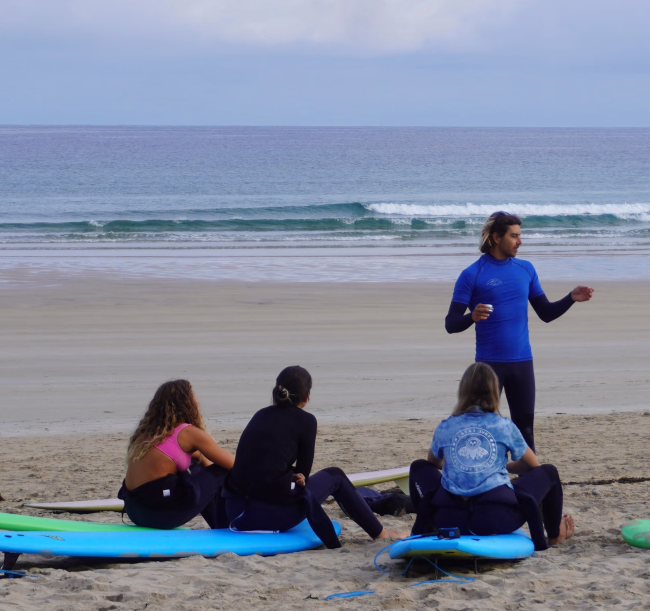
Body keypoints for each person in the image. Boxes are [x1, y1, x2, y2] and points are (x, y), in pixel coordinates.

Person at [443, 211, 593, 450]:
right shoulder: (472, 274)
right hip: (488, 366)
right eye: (514, 236)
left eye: (520, 236)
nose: (520, 241)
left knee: (525, 430)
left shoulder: (526, 269)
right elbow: (450, 324)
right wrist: (471, 317)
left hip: (522, 362)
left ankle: (529, 483)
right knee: (484, 430)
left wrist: (570, 298)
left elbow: (545, 313)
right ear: (495, 237)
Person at [222, 366, 405, 548]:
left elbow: (257, 463)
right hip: (267, 519)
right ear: (306, 396)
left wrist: (288, 473)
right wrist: (296, 474)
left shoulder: (260, 415)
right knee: (336, 476)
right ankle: (381, 533)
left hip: (235, 512)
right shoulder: (306, 421)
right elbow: (304, 473)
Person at [407, 362, 574, 548]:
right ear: (495, 392)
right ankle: (553, 536)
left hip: (448, 518)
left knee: (418, 467)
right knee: (549, 472)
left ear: (462, 391)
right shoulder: (503, 426)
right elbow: (532, 465)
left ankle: (429, 525)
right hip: (498, 519)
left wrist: (462, 462)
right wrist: (495, 465)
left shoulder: (446, 426)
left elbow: (434, 463)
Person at [119, 380, 235, 529]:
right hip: (160, 516)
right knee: (222, 470)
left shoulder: (146, 434)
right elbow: (233, 465)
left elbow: (198, 464)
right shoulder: (188, 433)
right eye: (194, 396)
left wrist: (200, 457)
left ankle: (219, 525)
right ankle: (225, 526)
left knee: (196, 466)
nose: (198, 401)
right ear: (187, 402)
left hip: (134, 513)